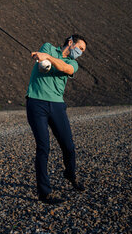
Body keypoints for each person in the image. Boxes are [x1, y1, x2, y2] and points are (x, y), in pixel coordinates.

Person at [26, 34, 87, 204]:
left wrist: (48, 59)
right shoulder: (48, 47)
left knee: (68, 146)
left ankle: (70, 174)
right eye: (80, 48)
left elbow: (66, 69)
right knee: (43, 147)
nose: (80, 53)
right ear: (70, 43)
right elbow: (42, 67)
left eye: (82, 51)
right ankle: (44, 193)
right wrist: (44, 58)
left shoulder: (73, 63)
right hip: (36, 102)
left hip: (57, 106)